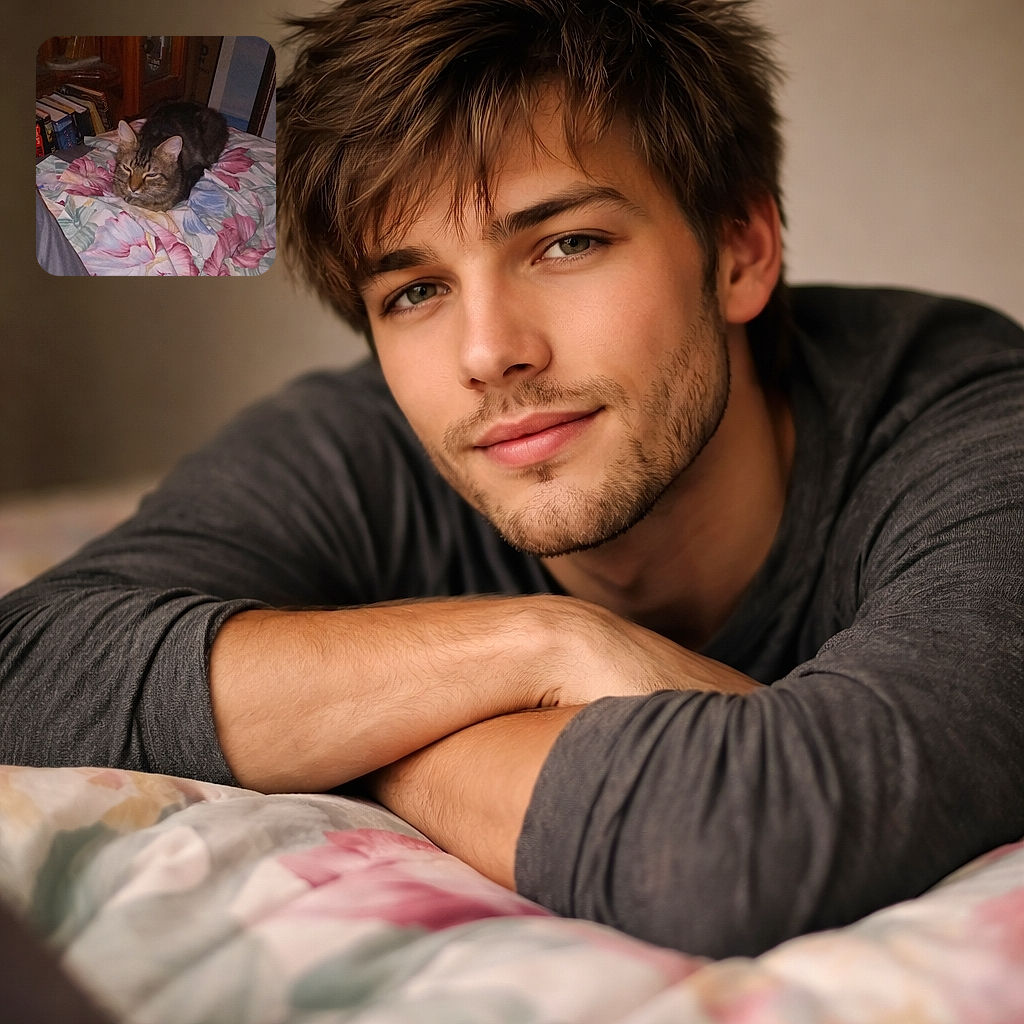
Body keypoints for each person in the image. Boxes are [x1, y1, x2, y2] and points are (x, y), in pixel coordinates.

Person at [2, 0, 1022, 959]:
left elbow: (740, 845)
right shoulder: (358, 443)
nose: (488, 353)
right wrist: (543, 645)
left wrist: (357, 735)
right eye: (414, 291)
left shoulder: (969, 417)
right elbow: (32, 668)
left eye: (566, 242)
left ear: (739, 251)